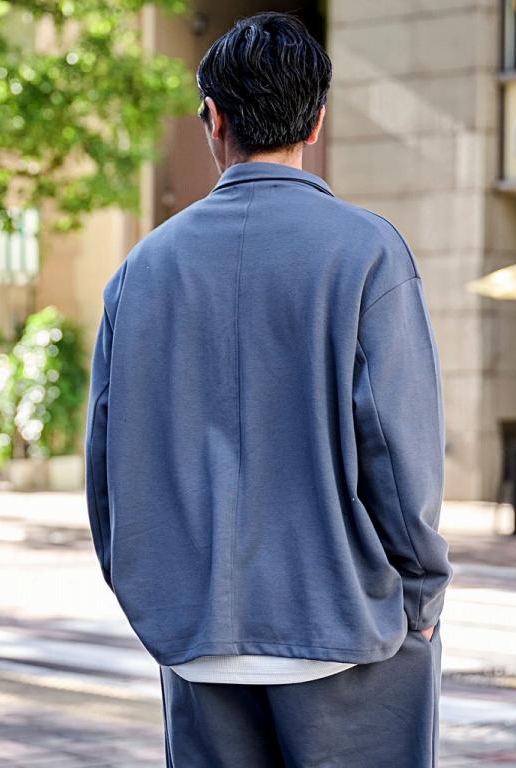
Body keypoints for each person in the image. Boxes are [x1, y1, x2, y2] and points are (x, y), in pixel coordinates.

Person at [85, 10, 452, 767]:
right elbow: (398, 452)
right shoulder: (367, 253)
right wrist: (421, 596)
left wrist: (155, 597)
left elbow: (106, 469)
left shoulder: (140, 271)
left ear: (212, 119)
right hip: (344, 630)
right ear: (316, 121)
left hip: (196, 640)